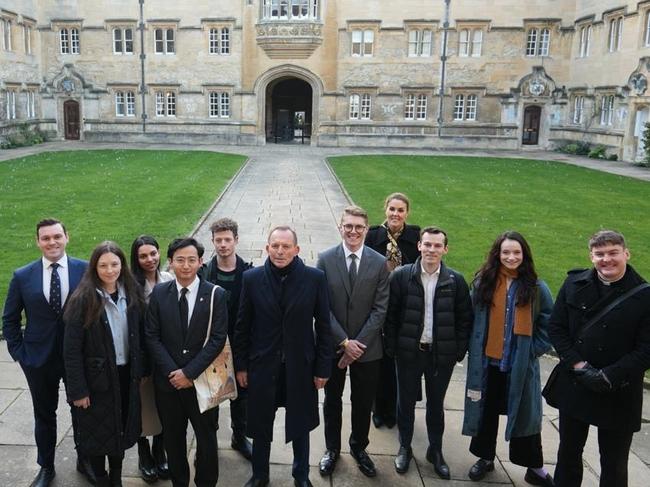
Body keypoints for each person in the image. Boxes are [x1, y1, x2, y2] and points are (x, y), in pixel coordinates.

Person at [548, 230, 650, 487]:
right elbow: (556, 328)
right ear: (591, 256)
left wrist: (608, 376)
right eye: (600, 254)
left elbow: (647, 349)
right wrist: (578, 365)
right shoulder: (573, 284)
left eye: (613, 252)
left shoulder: (646, 296)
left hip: (619, 390)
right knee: (568, 453)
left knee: (614, 464)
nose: (607, 259)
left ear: (626, 253)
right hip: (576, 382)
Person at [233, 226, 332, 487]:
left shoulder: (315, 279)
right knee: (261, 424)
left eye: (286, 246)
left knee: (300, 424)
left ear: (296, 250)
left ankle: (301, 475)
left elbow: (324, 326)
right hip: (262, 367)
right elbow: (242, 326)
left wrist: (323, 368)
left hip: (300, 368)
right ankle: (259, 475)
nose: (280, 251)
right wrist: (241, 366)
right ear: (267, 248)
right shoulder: (251, 279)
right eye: (275, 245)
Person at [2, 218, 91, 487]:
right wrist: (20, 354)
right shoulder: (22, 276)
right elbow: (9, 319)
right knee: (44, 414)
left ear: (67, 237)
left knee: (82, 411)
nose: (52, 242)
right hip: (38, 359)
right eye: (45, 238)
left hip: (77, 357)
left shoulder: (85, 270)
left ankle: (84, 459)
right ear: (37, 241)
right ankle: (47, 466)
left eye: (56, 236)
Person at [462, 231, 554, 486]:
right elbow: (471, 316)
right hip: (487, 364)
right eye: (506, 252)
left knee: (526, 415)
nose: (511, 257)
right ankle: (484, 458)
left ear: (524, 255)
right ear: (497, 254)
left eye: (516, 252)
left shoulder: (536, 287)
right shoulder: (484, 283)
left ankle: (534, 467)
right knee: (485, 413)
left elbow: (549, 322)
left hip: (520, 366)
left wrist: (534, 349)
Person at [384, 226, 472, 479]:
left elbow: (465, 319)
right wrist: (393, 347)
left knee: (436, 405)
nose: (432, 250)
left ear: (445, 249)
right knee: (405, 403)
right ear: (419, 246)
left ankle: (436, 450)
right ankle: (404, 447)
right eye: (427, 245)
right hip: (409, 353)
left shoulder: (455, 280)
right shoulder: (401, 276)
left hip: (439, 356)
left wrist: (457, 351)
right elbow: (390, 316)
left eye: (437, 246)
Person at [145, 238, 228, 487]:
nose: (186, 265)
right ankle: (179, 481)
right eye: (179, 260)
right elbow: (152, 335)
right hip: (168, 385)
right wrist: (174, 372)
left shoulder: (216, 294)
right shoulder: (159, 293)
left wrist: (189, 373)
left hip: (201, 382)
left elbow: (217, 339)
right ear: (170, 263)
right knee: (173, 439)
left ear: (201, 262)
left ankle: (206, 482)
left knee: (206, 439)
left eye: (192, 260)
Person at [63, 241, 145, 487]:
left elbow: (140, 336)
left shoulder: (132, 294)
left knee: (120, 429)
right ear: (94, 268)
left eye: (115, 264)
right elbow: (71, 351)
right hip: (95, 381)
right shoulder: (82, 300)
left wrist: (142, 371)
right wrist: (78, 390)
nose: (110, 270)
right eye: (103, 265)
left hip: (125, 375)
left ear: (122, 265)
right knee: (97, 433)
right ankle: (100, 477)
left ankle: (116, 478)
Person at [316, 206, 389, 478]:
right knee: (332, 400)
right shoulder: (325, 259)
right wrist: (345, 343)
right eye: (348, 226)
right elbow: (322, 307)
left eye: (359, 227)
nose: (353, 231)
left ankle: (359, 447)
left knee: (362, 401)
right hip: (334, 346)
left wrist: (357, 344)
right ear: (340, 227)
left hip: (368, 350)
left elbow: (380, 309)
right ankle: (331, 449)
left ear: (366, 230)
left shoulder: (380, 262)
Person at [365, 192, 421, 429]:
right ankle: (378, 408)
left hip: (405, 303)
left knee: (401, 357)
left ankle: (396, 408)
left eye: (401, 210)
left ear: (407, 213)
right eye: (392, 209)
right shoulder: (373, 235)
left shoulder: (416, 236)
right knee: (379, 360)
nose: (396, 214)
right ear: (385, 209)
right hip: (378, 302)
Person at [201, 218, 253, 460]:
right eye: (218, 240)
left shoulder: (250, 274)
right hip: (213, 346)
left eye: (227, 240)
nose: (223, 245)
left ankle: (239, 437)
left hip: (241, 344)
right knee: (211, 395)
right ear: (212, 241)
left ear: (236, 240)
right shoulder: (204, 274)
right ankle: (208, 441)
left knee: (241, 396)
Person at [130, 235, 173, 482]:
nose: (150, 259)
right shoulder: (130, 285)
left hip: (166, 356)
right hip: (143, 359)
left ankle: (160, 450)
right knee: (142, 407)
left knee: (164, 407)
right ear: (136, 259)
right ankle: (144, 454)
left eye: (153, 253)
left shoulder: (168, 279)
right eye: (143, 255)